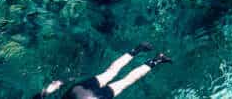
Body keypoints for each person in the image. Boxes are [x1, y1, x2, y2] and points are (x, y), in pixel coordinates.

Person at [34, 44, 171, 99]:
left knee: (126, 81)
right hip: (78, 90)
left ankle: (158, 60)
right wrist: (61, 82)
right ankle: (136, 50)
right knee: (110, 72)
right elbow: (48, 89)